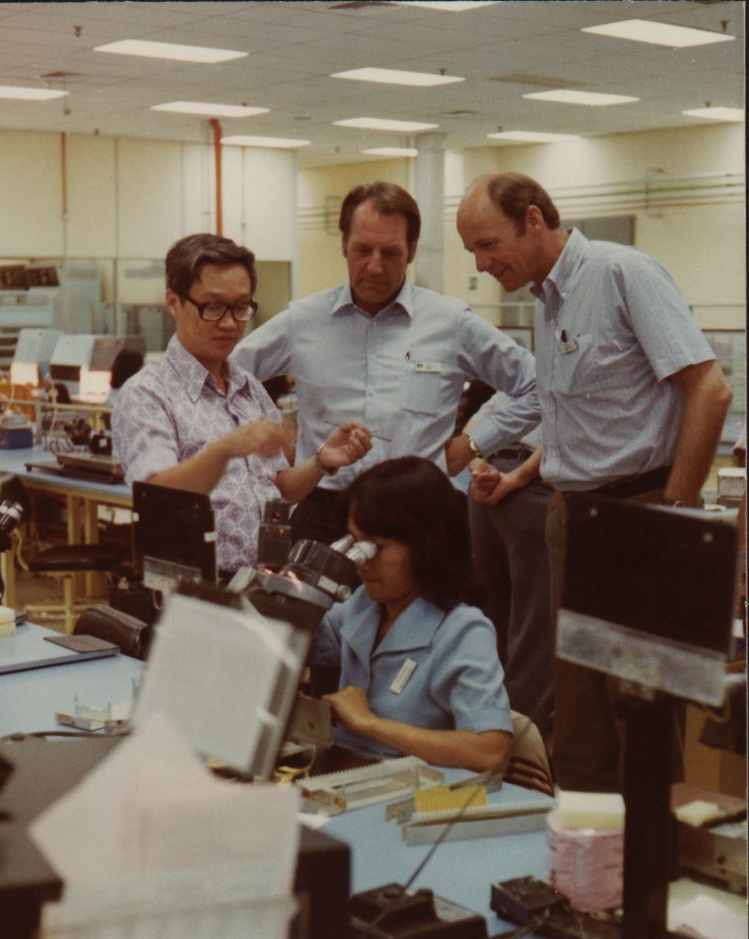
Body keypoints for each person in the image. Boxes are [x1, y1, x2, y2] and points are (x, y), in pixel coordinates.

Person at [457, 172, 732, 792]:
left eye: (487, 243)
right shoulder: (547, 298)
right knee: (577, 718)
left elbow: (710, 391)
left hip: (639, 514)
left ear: (532, 220)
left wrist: (675, 513)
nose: (480, 262)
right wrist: (531, 479)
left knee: (639, 710)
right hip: (574, 517)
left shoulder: (620, 274)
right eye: (472, 250)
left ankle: (648, 874)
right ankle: (588, 868)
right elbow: (581, 418)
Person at [235, 181, 540, 544]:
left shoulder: (450, 322)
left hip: (420, 518)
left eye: (391, 253)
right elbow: (225, 380)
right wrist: (264, 435)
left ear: (411, 251)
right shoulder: (303, 320)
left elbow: (539, 384)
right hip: (325, 516)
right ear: (343, 246)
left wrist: (474, 443)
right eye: (363, 250)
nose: (375, 267)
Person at [112, 234, 372, 577]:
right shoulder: (148, 394)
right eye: (213, 307)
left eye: (240, 307)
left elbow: (277, 487)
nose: (230, 323)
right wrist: (223, 451)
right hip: (193, 587)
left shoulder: (248, 388)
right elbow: (157, 498)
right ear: (174, 302)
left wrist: (321, 462)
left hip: (259, 580)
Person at [311, 457, 513, 774]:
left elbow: (491, 751)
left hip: (409, 796)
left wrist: (370, 724)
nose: (362, 560)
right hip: (343, 777)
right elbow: (294, 639)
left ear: (426, 546)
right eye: (356, 542)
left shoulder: (462, 631)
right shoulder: (363, 606)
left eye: (377, 546)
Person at [464, 391, 554, 738]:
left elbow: (565, 437)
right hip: (503, 482)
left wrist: (494, 473)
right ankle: (495, 738)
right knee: (506, 622)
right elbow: (474, 427)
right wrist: (478, 468)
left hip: (518, 479)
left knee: (520, 626)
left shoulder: (552, 370)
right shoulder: (534, 372)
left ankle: (504, 740)